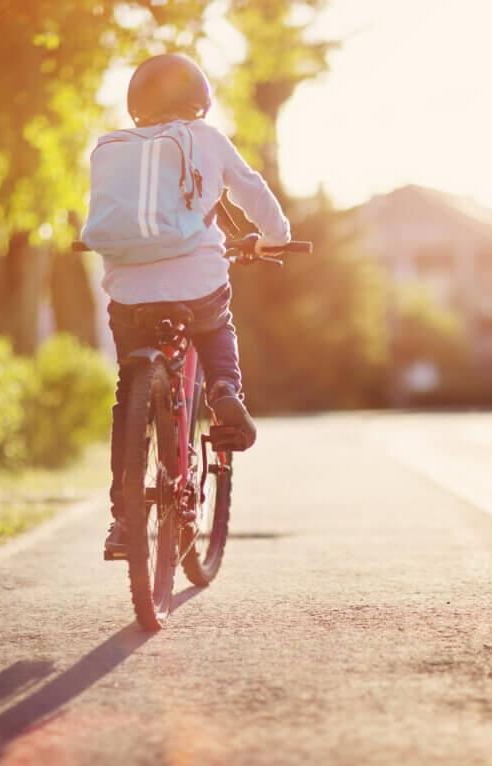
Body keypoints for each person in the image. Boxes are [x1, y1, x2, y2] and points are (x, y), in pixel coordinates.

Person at [92, 54, 291, 557]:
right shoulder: (207, 139)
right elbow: (252, 191)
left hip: (128, 291)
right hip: (194, 283)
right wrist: (275, 238)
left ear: (137, 103)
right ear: (199, 100)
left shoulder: (114, 147)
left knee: (126, 395)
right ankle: (224, 387)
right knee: (215, 319)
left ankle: (122, 521)